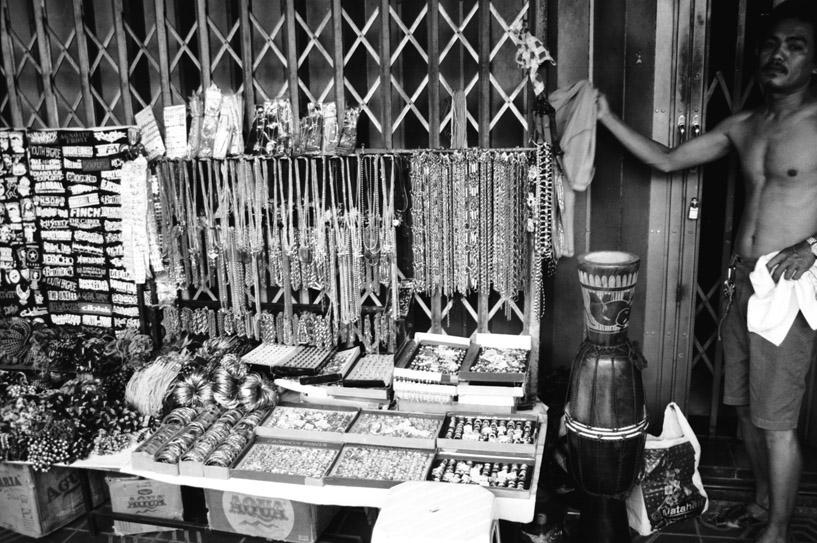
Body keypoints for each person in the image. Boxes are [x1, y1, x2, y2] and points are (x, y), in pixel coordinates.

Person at [596, 2, 817, 542]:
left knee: (776, 420)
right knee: (743, 410)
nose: (778, 54)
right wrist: (603, 117)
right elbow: (668, 159)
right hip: (744, 278)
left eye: (795, 46)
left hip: (789, 287)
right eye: (770, 44)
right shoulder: (745, 124)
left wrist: (814, 244)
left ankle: (779, 532)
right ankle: (763, 506)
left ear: (815, 62)